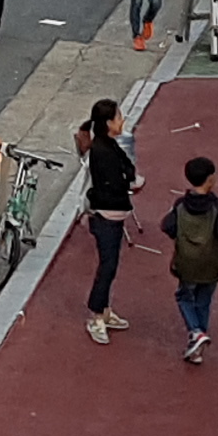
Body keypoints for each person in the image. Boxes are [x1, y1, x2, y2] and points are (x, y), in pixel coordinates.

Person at [159, 155, 218, 366]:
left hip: (187, 262)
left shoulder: (180, 204)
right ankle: (199, 339)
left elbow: (168, 226)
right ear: (210, 179)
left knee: (184, 296)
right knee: (204, 300)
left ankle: (196, 333)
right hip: (211, 263)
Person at [77, 105, 140, 343]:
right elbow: (120, 180)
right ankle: (96, 315)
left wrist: (127, 177)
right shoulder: (102, 151)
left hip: (113, 215)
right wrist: (126, 179)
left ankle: (103, 310)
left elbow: (129, 171)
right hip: (105, 216)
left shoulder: (108, 145)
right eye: (118, 117)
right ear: (108, 123)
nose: (122, 121)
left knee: (110, 265)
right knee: (107, 266)